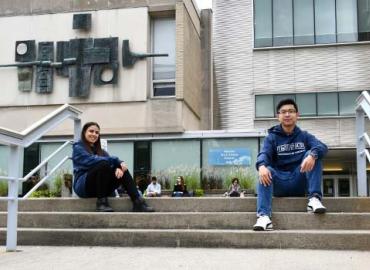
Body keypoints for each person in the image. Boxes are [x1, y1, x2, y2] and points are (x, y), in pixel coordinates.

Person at [253, 99, 328, 231]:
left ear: (297, 115)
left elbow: (322, 147)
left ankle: (314, 199)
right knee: (266, 169)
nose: (287, 114)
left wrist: (312, 155)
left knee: (314, 154)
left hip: (299, 179)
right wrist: (261, 166)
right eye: (283, 112)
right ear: (278, 116)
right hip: (279, 182)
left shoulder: (304, 136)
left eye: (291, 111)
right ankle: (264, 217)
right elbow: (264, 154)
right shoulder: (272, 138)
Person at [72, 122, 154, 212]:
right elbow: (91, 160)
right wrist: (117, 161)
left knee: (122, 170)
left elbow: (109, 163)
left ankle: (138, 202)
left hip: (101, 188)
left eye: (96, 132)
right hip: (84, 187)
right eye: (91, 131)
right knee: (103, 164)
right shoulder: (78, 148)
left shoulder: (101, 151)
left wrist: (118, 167)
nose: (94, 134)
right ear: (84, 132)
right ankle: (101, 203)